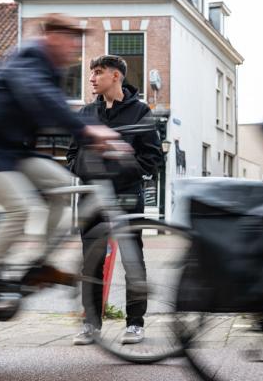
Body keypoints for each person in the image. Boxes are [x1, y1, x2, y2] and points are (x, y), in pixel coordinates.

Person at [0, 14, 124, 337]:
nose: (74, 46)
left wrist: (90, 136)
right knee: (21, 209)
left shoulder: (52, 70)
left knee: (64, 186)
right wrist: (86, 131)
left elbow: (48, 109)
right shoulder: (29, 57)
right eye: (70, 38)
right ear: (51, 37)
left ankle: (39, 264)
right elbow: (40, 97)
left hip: (9, 149)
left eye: (77, 39)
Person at [67, 55, 162, 345]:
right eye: (91, 73)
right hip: (92, 197)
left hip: (126, 196)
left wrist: (118, 169)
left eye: (98, 72)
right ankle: (91, 325)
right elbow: (71, 156)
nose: (92, 78)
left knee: (133, 261)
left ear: (116, 76)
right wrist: (89, 169)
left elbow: (152, 158)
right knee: (90, 263)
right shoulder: (86, 113)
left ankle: (135, 324)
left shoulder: (140, 112)